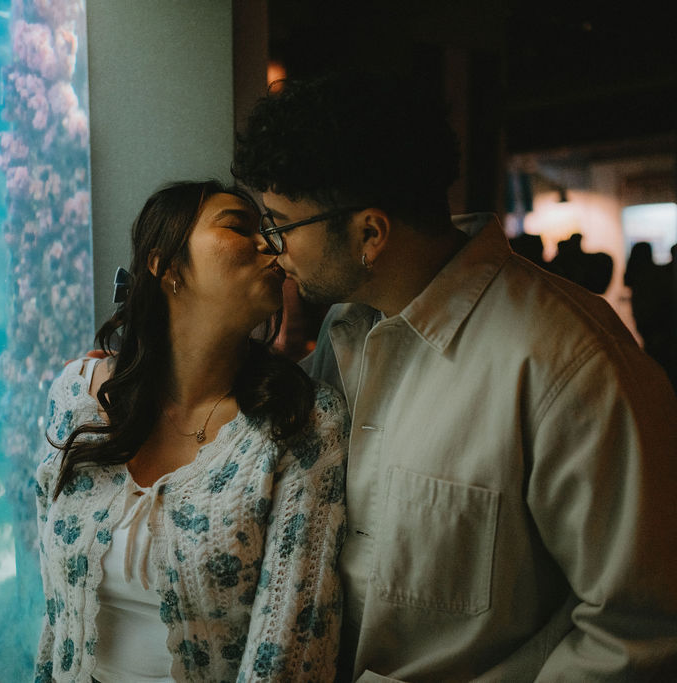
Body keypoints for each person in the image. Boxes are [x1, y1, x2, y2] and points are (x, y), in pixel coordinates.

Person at [231, 69, 677, 681]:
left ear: (370, 233)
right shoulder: (346, 332)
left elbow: (639, 629)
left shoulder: (569, 365)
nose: (273, 249)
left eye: (281, 224)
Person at [33, 181, 347, 682]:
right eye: (238, 227)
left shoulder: (302, 423)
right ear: (166, 265)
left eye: (268, 230)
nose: (271, 244)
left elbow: (292, 648)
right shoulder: (76, 396)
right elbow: (56, 619)